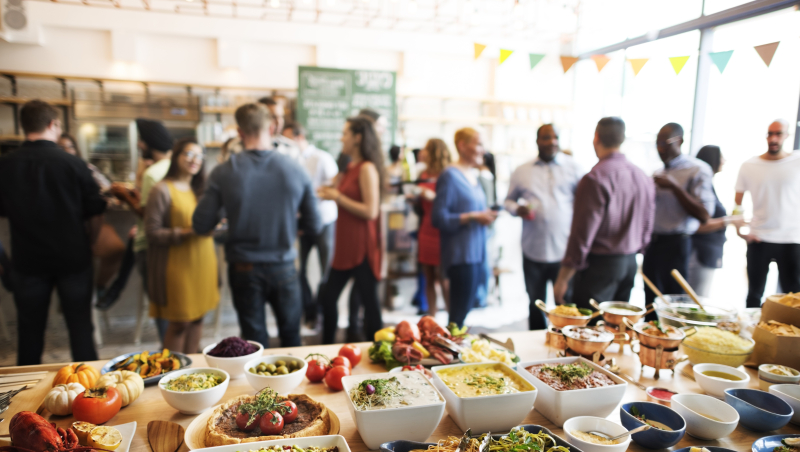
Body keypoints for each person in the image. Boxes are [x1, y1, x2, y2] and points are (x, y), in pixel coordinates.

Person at [193, 103, 321, 348]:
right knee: (292, 337)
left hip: (244, 267)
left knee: (253, 341)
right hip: (284, 265)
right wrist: (286, 224)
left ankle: (260, 387)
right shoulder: (296, 169)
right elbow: (314, 224)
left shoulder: (223, 172)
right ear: (272, 127)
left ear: (240, 133)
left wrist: (231, 221)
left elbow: (201, 224)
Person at [0, 100, 106, 365]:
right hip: (73, 258)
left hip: (27, 260)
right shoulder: (74, 164)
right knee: (81, 329)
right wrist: (90, 243)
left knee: (29, 331)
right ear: (53, 124)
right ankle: (91, 392)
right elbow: (95, 211)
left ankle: (26, 396)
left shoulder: (6, 165)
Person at [553, 117, 655, 310]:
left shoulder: (595, 178)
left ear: (596, 137)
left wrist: (563, 278)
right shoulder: (642, 176)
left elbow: (581, 235)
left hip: (600, 266)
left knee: (590, 331)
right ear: (622, 139)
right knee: (617, 327)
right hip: (629, 262)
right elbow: (648, 224)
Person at [505, 124, 583, 330]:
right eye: (547, 138)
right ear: (537, 141)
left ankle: (565, 347)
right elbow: (508, 202)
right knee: (535, 303)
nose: (552, 142)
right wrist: (517, 209)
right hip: (533, 250)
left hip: (564, 252)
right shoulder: (522, 171)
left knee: (565, 305)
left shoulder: (574, 168)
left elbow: (585, 204)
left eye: (556, 137)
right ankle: (536, 348)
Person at [145, 138, 218, 354]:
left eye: (199, 156)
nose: (194, 160)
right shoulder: (161, 189)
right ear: (176, 156)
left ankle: (192, 373)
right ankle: (172, 375)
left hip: (203, 261)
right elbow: (152, 232)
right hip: (177, 265)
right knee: (180, 323)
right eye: (189, 154)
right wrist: (187, 232)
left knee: (198, 319)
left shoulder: (201, 190)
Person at [317, 116, 385, 344]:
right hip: (345, 246)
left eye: (345, 133)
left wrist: (337, 197)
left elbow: (371, 211)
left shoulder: (366, 168)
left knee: (370, 306)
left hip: (362, 247)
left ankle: (380, 356)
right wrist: (327, 191)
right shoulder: (349, 166)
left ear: (357, 138)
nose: (341, 137)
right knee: (328, 299)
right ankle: (326, 350)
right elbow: (334, 189)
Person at [107, 119, 173, 338]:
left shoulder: (152, 173)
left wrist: (125, 196)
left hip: (150, 246)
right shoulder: (172, 167)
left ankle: (169, 353)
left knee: (160, 305)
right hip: (172, 244)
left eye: (140, 142)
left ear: (145, 143)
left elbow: (147, 215)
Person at [642, 123, 715, 316]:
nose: (660, 149)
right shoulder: (658, 172)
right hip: (653, 244)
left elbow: (705, 215)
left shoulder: (697, 170)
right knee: (650, 302)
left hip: (676, 244)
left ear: (680, 141)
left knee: (673, 304)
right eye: (657, 144)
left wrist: (675, 188)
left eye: (665, 143)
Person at [432, 128, 497, 328]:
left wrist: (484, 214)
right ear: (462, 145)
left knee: (465, 311)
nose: (482, 150)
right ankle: (451, 354)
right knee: (458, 316)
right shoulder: (450, 176)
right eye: (478, 144)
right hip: (460, 255)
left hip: (477, 254)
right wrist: (473, 217)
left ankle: (455, 350)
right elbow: (439, 218)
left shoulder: (472, 175)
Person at [735, 119, 800, 307]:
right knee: (754, 295)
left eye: (778, 134)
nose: (773, 138)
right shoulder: (749, 165)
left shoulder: (797, 161)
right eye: (770, 133)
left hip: (791, 238)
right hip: (759, 237)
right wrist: (740, 230)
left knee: (793, 296)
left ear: (786, 135)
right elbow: (737, 203)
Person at [283, 123, 339, 327]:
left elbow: (334, 187)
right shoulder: (290, 160)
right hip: (301, 222)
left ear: (298, 137)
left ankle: (319, 311)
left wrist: (309, 194)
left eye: (287, 140)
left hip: (324, 220)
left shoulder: (322, 158)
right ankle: (309, 309)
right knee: (299, 270)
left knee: (326, 271)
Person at [58, 134, 125, 299]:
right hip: (63, 229)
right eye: (61, 147)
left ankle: (99, 286)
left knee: (117, 249)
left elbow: (107, 191)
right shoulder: (51, 171)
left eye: (70, 146)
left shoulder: (86, 168)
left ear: (76, 149)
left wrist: (110, 198)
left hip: (89, 226)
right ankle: (69, 294)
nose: (67, 151)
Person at [688, 145, 743, 297]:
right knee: (695, 301)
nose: (724, 161)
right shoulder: (701, 188)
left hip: (707, 253)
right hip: (700, 252)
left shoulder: (708, 186)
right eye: (721, 157)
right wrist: (729, 220)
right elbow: (696, 226)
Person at [413, 138, 452, 316]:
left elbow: (452, 203)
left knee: (444, 278)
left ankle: (453, 319)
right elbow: (419, 207)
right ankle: (432, 316)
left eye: (426, 149)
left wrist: (433, 197)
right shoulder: (423, 174)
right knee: (428, 277)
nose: (422, 152)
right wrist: (414, 198)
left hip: (442, 231)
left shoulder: (449, 174)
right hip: (426, 229)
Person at [258, 97, 300, 161]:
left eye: (281, 117)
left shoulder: (291, 148)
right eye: (273, 117)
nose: (279, 122)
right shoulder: (241, 147)